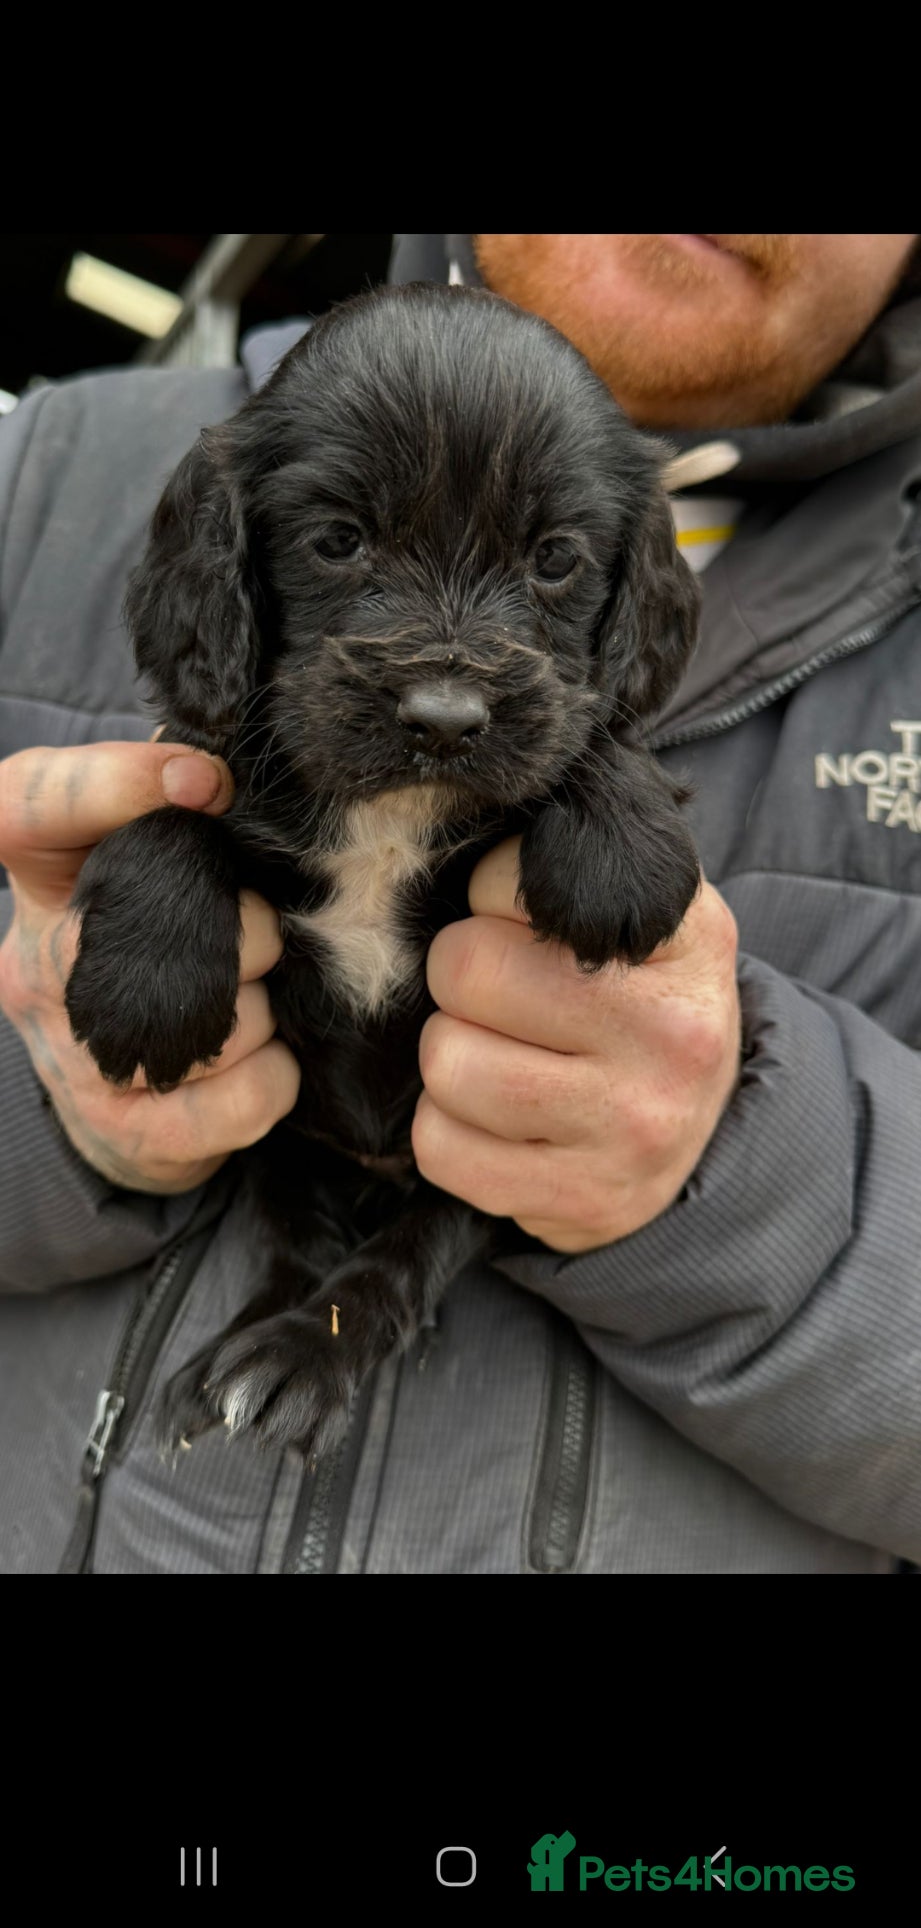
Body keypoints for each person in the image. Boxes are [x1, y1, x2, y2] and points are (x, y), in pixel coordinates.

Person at [0, 231, 919, 1575]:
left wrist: (743, 1169)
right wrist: (37, 1091)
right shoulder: (36, 473)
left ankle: (353, 1311)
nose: (443, 688)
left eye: (549, 569)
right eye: (338, 543)